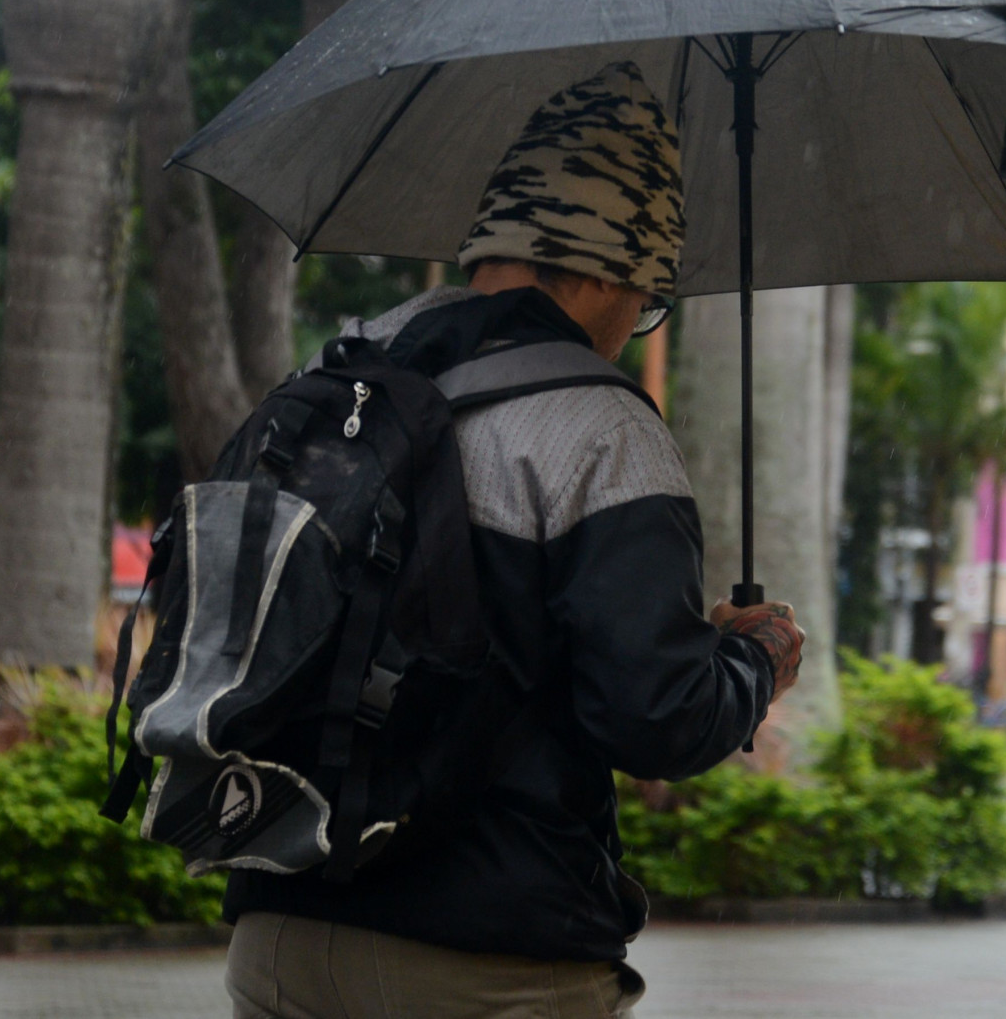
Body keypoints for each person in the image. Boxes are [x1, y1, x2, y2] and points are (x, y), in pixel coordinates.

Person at [224, 61, 805, 1018]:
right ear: (593, 268)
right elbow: (653, 717)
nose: (632, 324)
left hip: (277, 933)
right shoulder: (599, 424)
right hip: (486, 961)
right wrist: (750, 663)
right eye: (646, 296)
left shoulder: (340, 375)